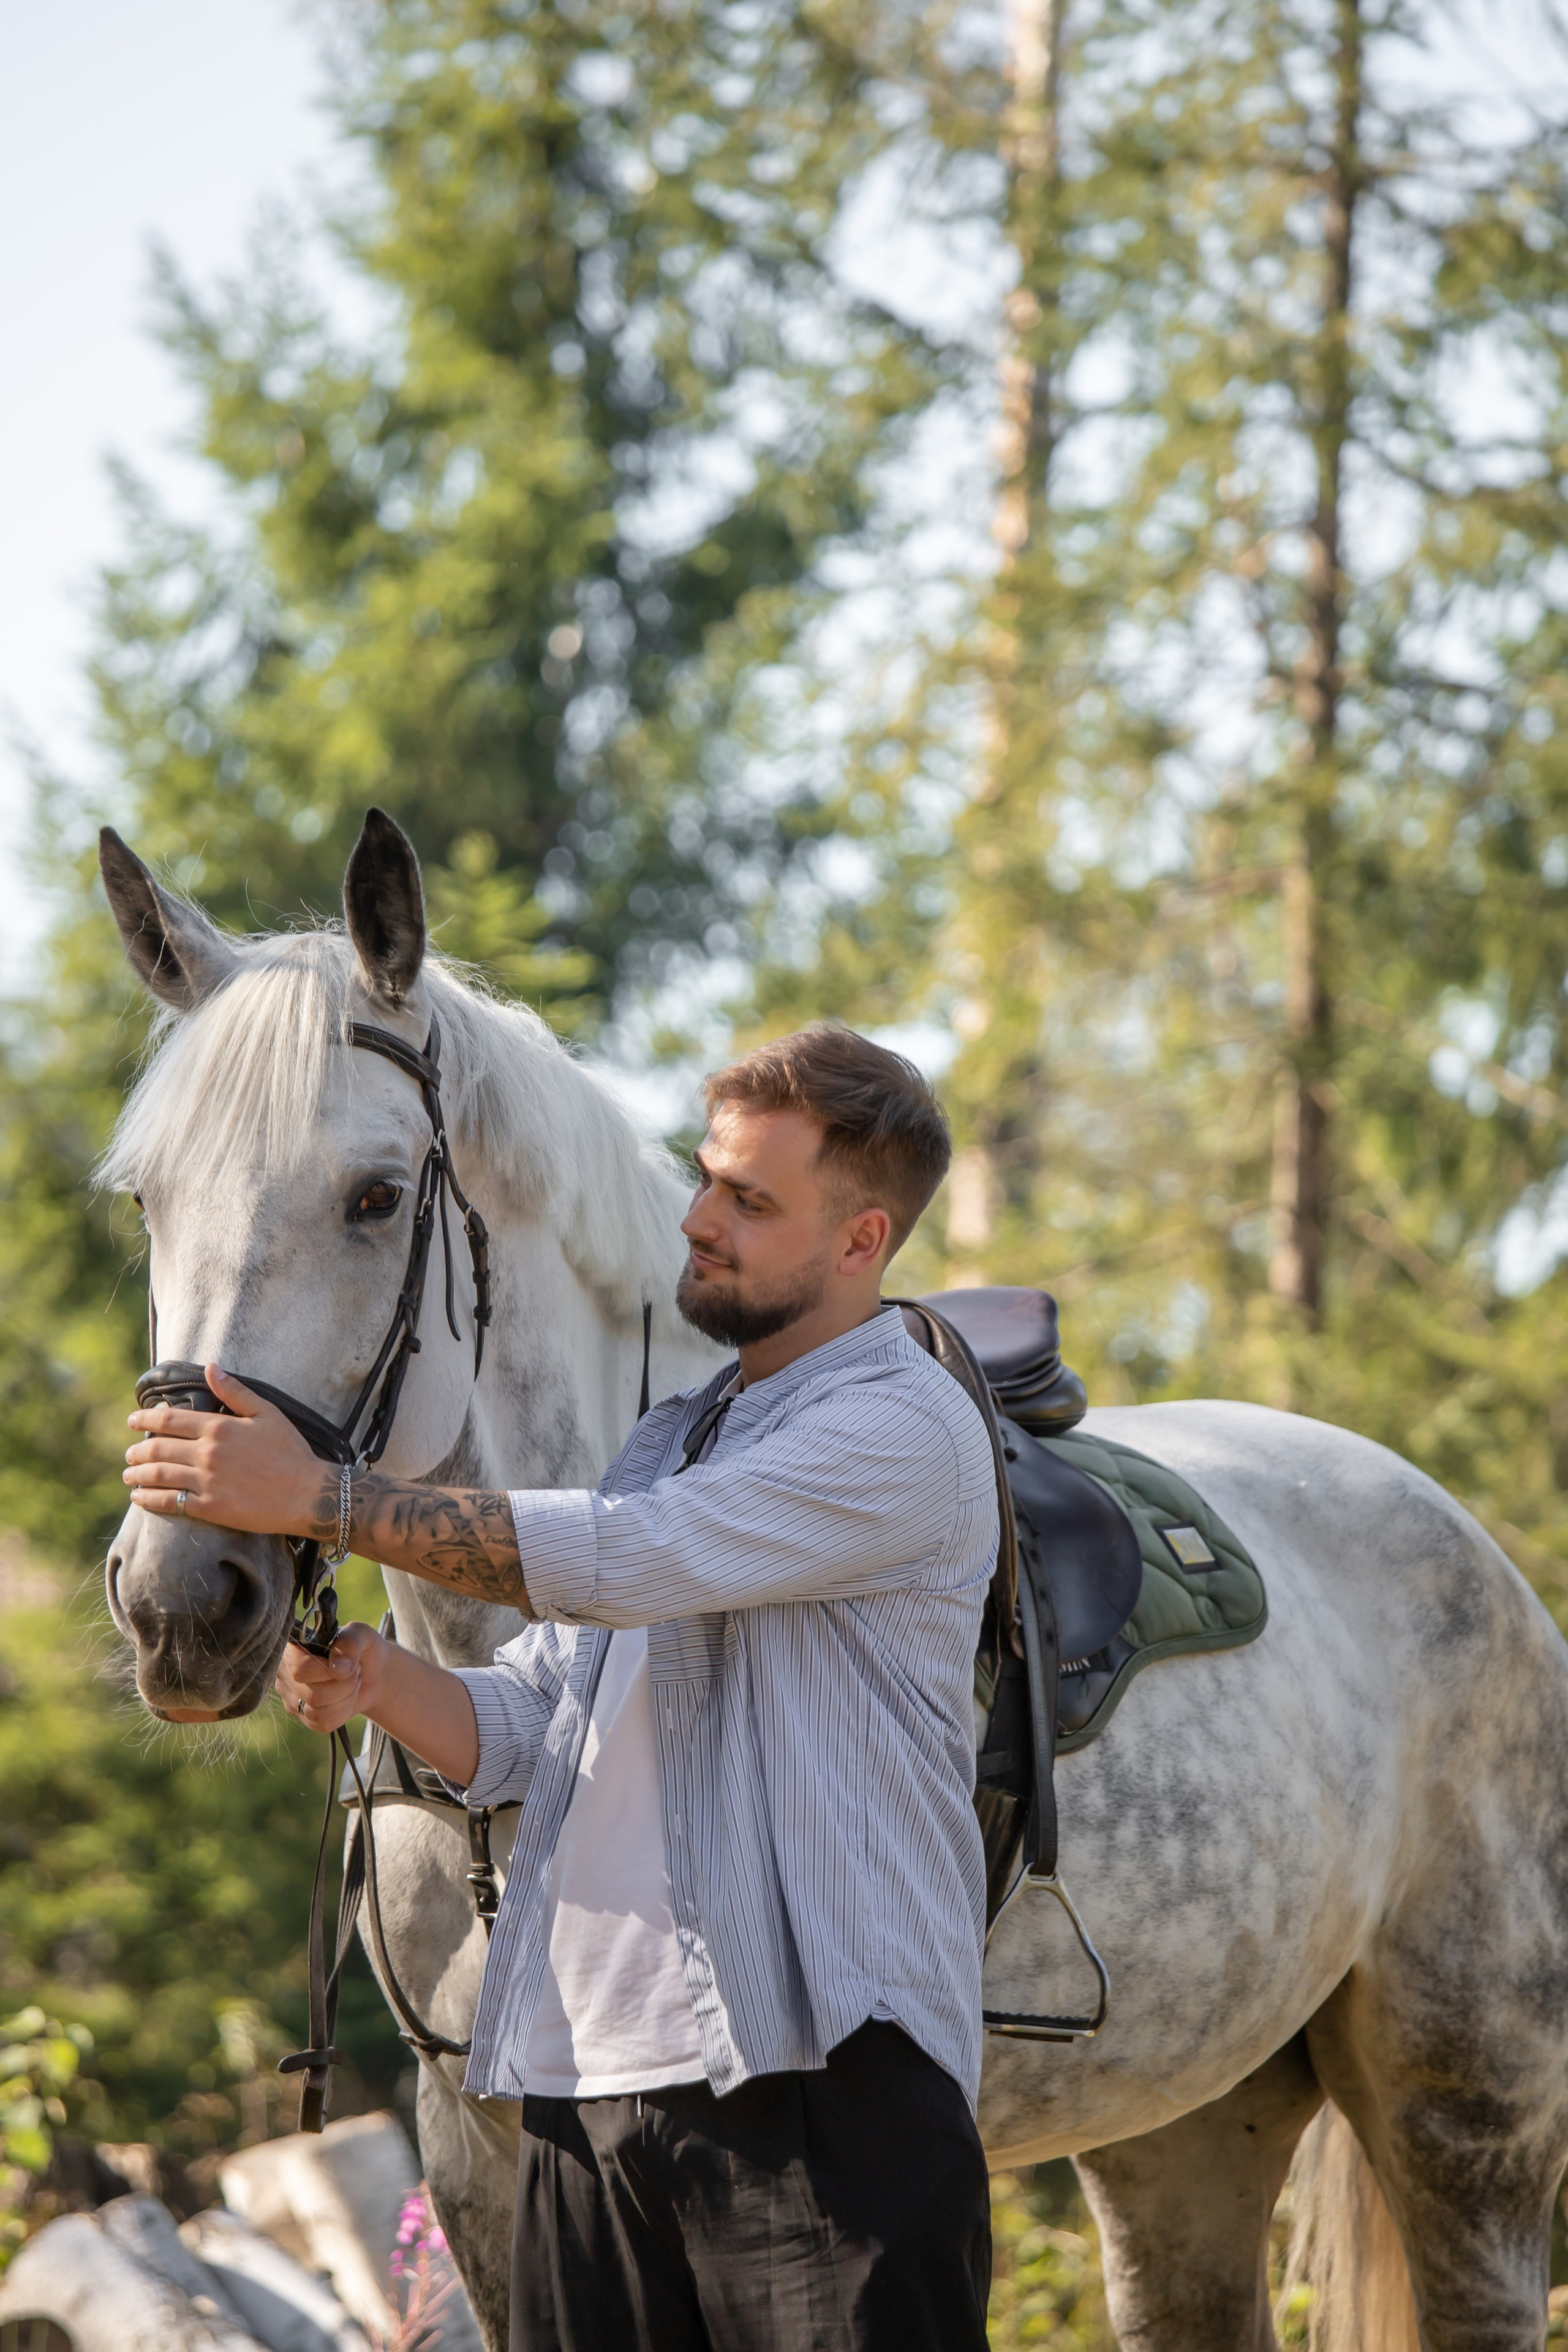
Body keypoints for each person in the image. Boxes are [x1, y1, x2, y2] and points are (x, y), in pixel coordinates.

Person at [123, 1024, 1000, 2352]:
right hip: (592, 2095)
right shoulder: (676, 1438)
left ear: (860, 1243)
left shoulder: (895, 1426)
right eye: (705, 1180)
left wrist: (318, 1497)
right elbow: (544, 1719)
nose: (695, 1222)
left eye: (749, 1203)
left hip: (819, 2096)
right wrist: (384, 1682)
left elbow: (628, 1564)